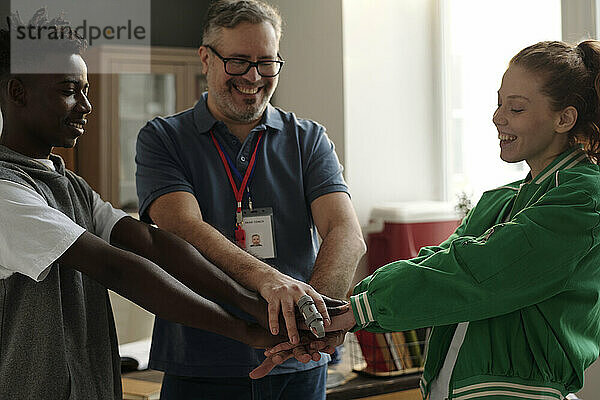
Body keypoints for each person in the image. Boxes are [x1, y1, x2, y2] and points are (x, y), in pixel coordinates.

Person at [0, 11, 324, 399]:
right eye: (69, 90)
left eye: (86, 90)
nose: (86, 105)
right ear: (17, 92)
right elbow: (116, 267)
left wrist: (255, 307)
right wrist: (245, 328)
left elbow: (151, 243)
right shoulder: (6, 191)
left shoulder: (70, 185)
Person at [267, 40, 600, 399]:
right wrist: (347, 314)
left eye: (516, 108)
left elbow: (475, 272)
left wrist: (356, 311)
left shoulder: (583, 199)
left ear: (564, 118)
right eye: (499, 102)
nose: (497, 117)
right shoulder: (502, 200)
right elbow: (436, 263)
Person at [134, 0, 365, 397]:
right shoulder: (162, 138)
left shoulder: (308, 139)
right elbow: (183, 228)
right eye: (239, 61)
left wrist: (313, 321)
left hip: (299, 365)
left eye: (267, 62)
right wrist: (270, 281)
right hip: (200, 360)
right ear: (205, 59)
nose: (254, 77)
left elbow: (345, 232)